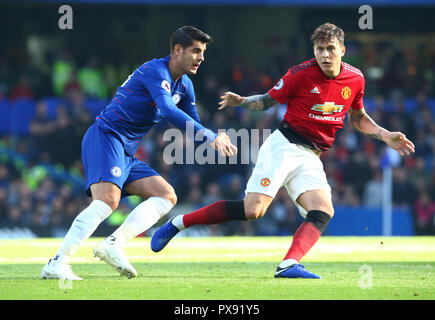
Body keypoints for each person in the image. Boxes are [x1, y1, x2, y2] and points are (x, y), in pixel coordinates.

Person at [151, 23, 415, 279]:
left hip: (311, 155)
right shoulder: (300, 73)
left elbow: (357, 117)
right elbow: (267, 100)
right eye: (319, 48)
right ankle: (178, 223)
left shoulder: (355, 79)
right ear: (313, 49)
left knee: (323, 210)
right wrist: (242, 101)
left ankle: (288, 264)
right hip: (284, 146)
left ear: (342, 50)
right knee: (253, 210)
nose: (324, 54)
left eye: (330, 48)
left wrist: (385, 135)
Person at [41, 26, 237, 280]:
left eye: (203, 52)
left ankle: (113, 244)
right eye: (196, 51)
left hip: (126, 150)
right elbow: (167, 110)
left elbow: (192, 122)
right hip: (106, 136)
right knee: (108, 200)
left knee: (166, 195)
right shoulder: (154, 70)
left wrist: (212, 138)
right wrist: (209, 137)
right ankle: (57, 262)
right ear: (177, 50)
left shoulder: (185, 85)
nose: (201, 57)